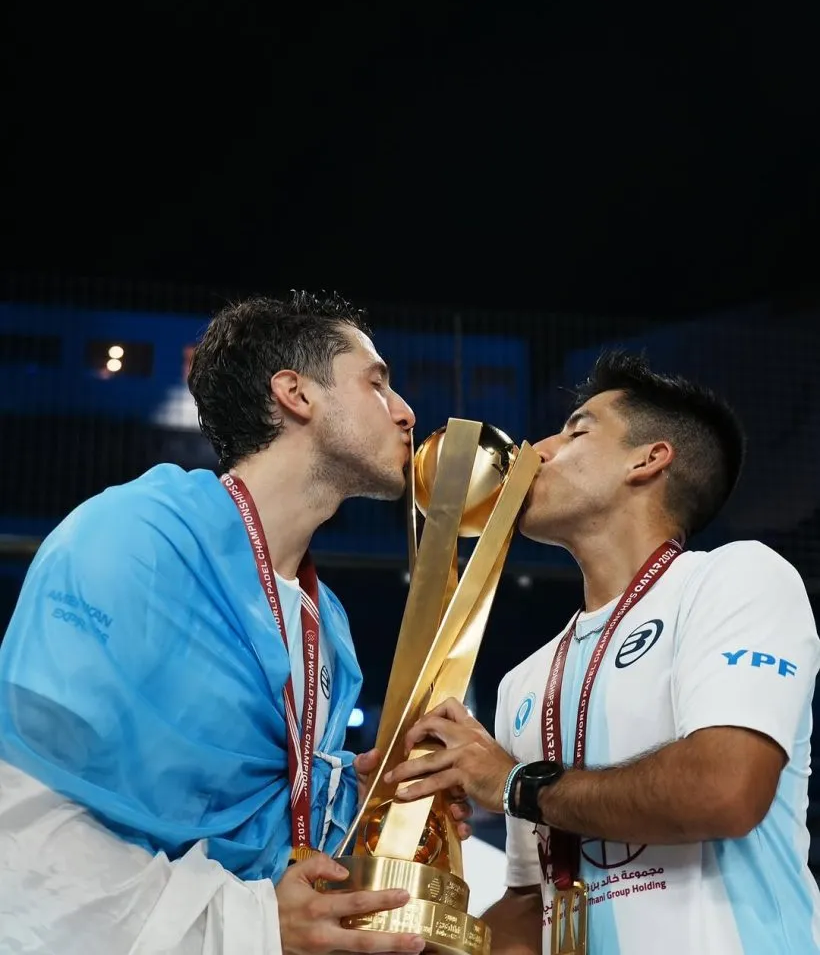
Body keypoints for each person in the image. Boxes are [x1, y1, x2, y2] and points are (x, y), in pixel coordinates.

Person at [0, 289, 469, 955]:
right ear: (295, 393)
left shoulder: (324, 624)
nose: (407, 413)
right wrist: (249, 923)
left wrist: (377, 807)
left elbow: (272, 830)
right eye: (377, 384)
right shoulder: (135, 540)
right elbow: (22, 813)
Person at [384, 348, 820, 954]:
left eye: (575, 431)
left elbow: (725, 788)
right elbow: (535, 904)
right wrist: (414, 929)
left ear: (648, 460)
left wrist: (513, 782)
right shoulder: (524, 681)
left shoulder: (735, 579)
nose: (535, 450)